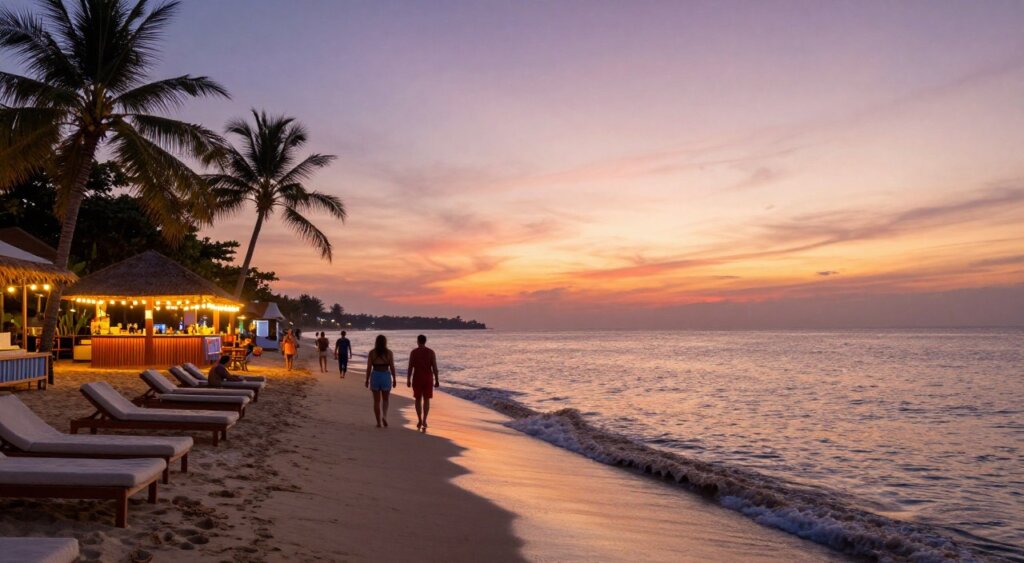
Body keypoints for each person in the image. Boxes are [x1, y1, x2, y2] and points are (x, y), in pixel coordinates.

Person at [407, 334, 440, 431]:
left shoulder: (413, 352)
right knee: (426, 399)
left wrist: (408, 379)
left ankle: (419, 420)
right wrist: (437, 380)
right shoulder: (431, 352)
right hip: (428, 378)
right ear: (425, 341)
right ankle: (425, 420)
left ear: (418, 341)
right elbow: (434, 367)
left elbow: (410, 367)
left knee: (418, 399)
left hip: (417, 377)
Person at [365, 334, 397, 428]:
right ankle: (385, 416)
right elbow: (392, 367)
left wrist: (367, 380)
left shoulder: (372, 353)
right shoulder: (389, 353)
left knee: (376, 401)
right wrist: (394, 378)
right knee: (386, 399)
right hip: (385, 376)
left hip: (375, 375)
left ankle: (378, 422)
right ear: (385, 342)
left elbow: (368, 368)